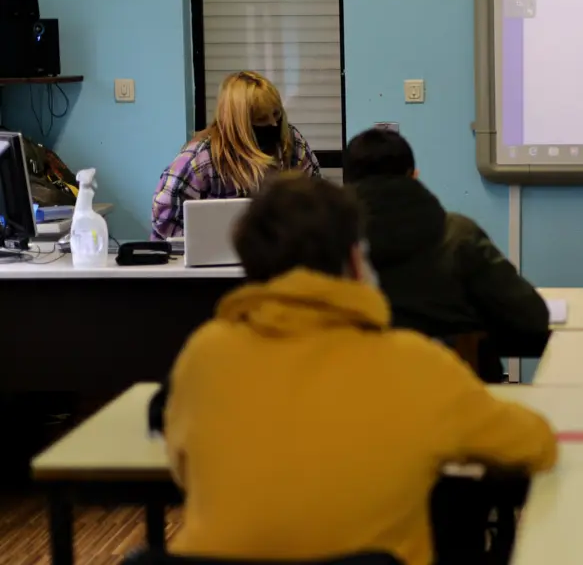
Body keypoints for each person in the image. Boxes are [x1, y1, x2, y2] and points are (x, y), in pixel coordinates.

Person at [162, 173, 558, 565]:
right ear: (355, 260)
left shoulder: (204, 355)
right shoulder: (414, 363)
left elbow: (184, 469)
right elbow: (535, 443)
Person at [342, 127, 549, 381]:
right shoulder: (458, 235)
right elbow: (531, 319)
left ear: (347, 182)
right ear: (414, 176)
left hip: (351, 403)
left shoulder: (323, 245)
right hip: (460, 397)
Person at [150, 70, 319, 239]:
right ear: (239, 124)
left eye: (276, 114)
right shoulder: (202, 157)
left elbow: (316, 196)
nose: (273, 124)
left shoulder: (290, 142)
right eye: (261, 119)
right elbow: (163, 213)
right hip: (203, 256)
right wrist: (200, 244)